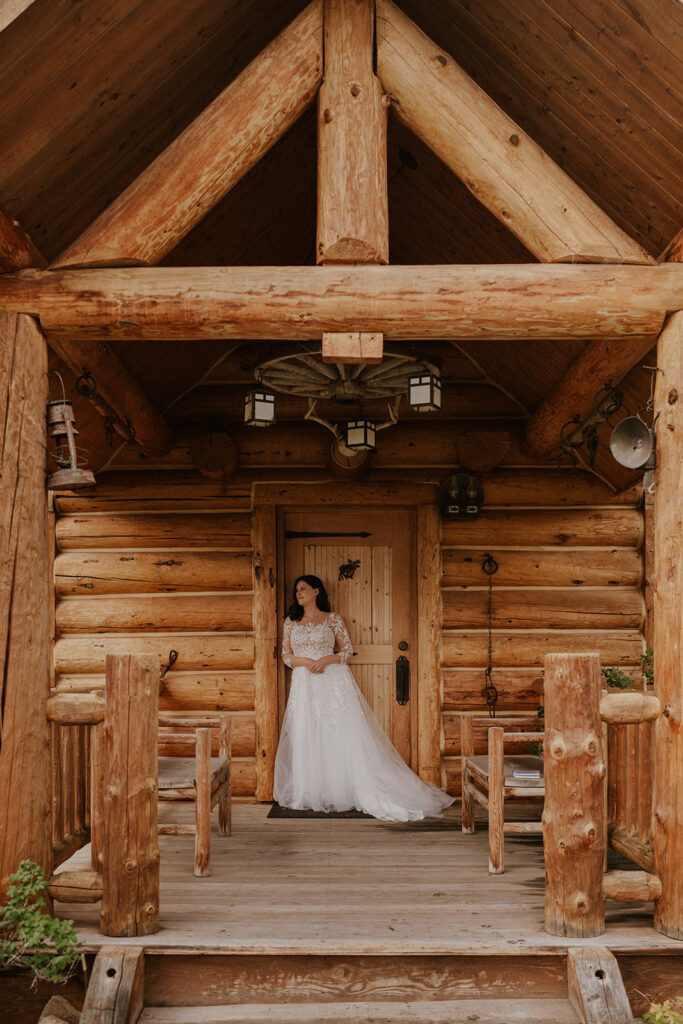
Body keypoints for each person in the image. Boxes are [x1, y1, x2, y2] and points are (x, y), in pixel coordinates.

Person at [273, 574, 454, 822]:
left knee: (340, 733)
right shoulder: (291, 622)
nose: (298, 593)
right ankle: (310, 789)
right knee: (306, 732)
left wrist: (327, 659)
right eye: (296, 590)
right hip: (304, 683)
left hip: (332, 680)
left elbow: (347, 650)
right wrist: (304, 661)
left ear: (317, 591)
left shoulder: (332, 619)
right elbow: (285, 656)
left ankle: (344, 787)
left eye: (303, 589)